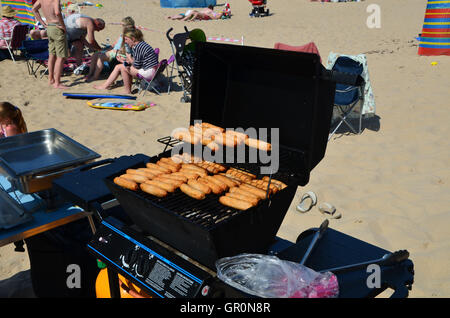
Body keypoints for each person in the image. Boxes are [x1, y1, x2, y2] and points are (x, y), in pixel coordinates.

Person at [93, 28, 158, 94]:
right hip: (151, 70)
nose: (125, 42)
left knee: (121, 67)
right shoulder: (142, 44)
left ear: (133, 39)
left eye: (126, 39)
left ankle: (123, 90)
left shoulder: (139, 47)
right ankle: (107, 86)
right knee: (121, 66)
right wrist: (125, 60)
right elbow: (139, 62)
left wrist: (128, 58)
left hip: (148, 73)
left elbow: (137, 66)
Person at [84, 16, 135, 82]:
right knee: (95, 55)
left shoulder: (130, 34)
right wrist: (107, 49)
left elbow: (128, 47)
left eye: (123, 25)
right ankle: (90, 74)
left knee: (101, 57)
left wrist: (116, 51)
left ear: (127, 25)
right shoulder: (122, 34)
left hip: (120, 53)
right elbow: (114, 44)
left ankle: (95, 77)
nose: (121, 26)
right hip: (114, 50)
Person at [32, 0, 69, 89]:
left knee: (52, 55)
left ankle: (51, 79)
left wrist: (43, 23)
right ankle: (57, 82)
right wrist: (63, 26)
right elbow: (57, 12)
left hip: (49, 27)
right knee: (61, 57)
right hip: (57, 26)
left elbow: (34, 9)